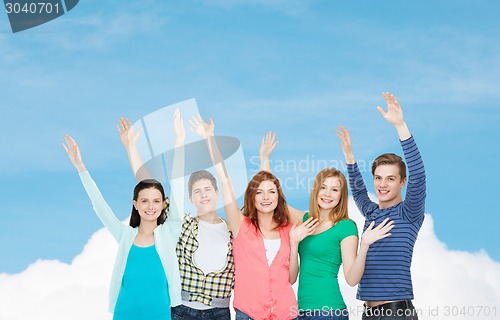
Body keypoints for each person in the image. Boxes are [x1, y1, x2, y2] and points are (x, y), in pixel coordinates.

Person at [189, 115, 318, 320]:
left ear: (279, 197)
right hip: (248, 314)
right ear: (252, 197)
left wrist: (294, 244)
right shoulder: (241, 226)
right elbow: (225, 181)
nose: (266, 197)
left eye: (272, 192)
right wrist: (209, 138)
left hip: (287, 314)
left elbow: (291, 278)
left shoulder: (288, 230)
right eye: (259, 193)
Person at [259, 132, 394, 320]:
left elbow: (352, 278)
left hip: (329, 312)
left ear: (341, 196)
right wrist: (264, 159)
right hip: (301, 311)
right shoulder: (305, 220)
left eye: (335, 189)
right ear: (316, 190)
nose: (327, 194)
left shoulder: (345, 227)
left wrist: (364, 245)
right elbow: (275, 201)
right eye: (323, 187)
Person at [117, 112, 234, 320]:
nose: (203, 194)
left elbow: (226, 181)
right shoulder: (182, 223)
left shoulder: (232, 229)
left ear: (217, 193)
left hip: (219, 311)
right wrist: (131, 148)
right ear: (190, 198)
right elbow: (149, 186)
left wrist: (209, 138)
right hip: (182, 310)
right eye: (197, 191)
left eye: (208, 189)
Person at [62, 133, 183, 320]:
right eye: (144, 201)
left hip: (159, 313)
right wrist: (80, 167)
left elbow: (178, 184)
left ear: (163, 204)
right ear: (135, 204)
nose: (150, 207)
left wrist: (179, 141)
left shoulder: (170, 231)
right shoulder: (125, 235)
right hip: (124, 313)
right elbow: (100, 207)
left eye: (156, 201)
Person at [337, 92, 426, 320]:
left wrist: (400, 125)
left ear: (402, 182)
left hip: (396, 312)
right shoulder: (371, 212)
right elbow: (357, 190)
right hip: (368, 313)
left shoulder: (409, 212)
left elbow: (419, 173)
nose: (382, 184)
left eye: (390, 178)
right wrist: (349, 155)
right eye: (378, 178)